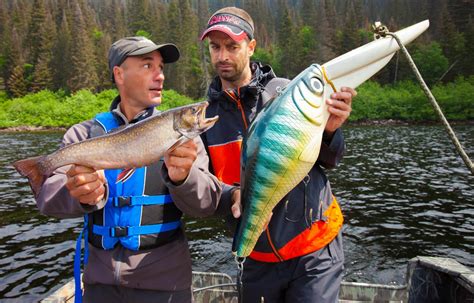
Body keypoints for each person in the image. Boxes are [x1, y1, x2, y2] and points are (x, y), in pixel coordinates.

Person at [35, 36, 222, 303]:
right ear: (119, 74)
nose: (160, 77)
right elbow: (47, 200)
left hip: (166, 285)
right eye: (148, 66)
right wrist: (80, 193)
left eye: (161, 68)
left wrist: (185, 178)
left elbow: (206, 205)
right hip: (99, 285)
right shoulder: (82, 135)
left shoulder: (184, 138)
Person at [200, 7, 357, 302]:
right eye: (215, 47)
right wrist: (229, 196)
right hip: (256, 257)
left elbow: (331, 159)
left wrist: (331, 130)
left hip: (314, 248)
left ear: (251, 46)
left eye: (232, 46)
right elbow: (206, 186)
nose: (222, 56)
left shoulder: (288, 93)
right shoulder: (205, 119)